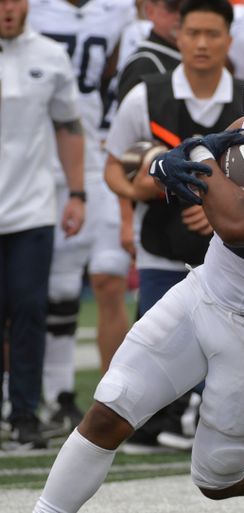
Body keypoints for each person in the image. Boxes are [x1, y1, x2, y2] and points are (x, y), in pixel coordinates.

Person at [33, 20, 244, 513]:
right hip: (203, 294)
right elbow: (224, 140)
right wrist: (187, 153)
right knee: (110, 408)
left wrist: (193, 156)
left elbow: (240, 223)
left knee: (219, 478)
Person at [104, 0, 243, 452]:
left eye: (213, 34)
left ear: (230, 39)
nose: (202, 44)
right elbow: (112, 167)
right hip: (159, 243)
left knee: (227, 339)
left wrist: (221, 207)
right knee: (155, 338)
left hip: (231, 251)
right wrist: (142, 188)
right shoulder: (146, 94)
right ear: (177, 36)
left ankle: (204, 416)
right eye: (193, 33)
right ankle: (150, 423)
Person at [27, 0, 136, 431]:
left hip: (90, 153)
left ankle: (65, 394)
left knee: (80, 279)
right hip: (33, 154)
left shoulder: (119, 11)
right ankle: (35, 392)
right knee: (31, 288)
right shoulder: (29, 9)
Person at [0, 0, 85, 449]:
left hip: (33, 207)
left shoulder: (51, 54)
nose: (7, 8)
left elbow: (69, 126)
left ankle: (25, 414)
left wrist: (77, 193)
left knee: (30, 310)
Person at [117, 0, 183, 102]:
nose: (180, 15)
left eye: (187, 7)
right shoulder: (145, 64)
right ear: (150, 10)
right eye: (172, 7)